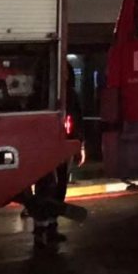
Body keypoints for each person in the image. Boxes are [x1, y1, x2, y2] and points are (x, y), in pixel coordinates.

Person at [31, 80, 84, 249]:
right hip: (48, 146)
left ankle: (49, 227)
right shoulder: (42, 93)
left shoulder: (68, 94)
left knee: (59, 186)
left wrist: (79, 145)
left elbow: (77, 119)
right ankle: (42, 229)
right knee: (47, 185)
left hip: (63, 145)